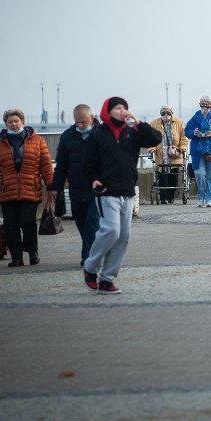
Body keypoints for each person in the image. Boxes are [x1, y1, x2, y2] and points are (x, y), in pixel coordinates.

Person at [82, 96, 161, 294]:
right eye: (117, 108)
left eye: (124, 108)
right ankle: (90, 267)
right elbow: (89, 162)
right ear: (107, 112)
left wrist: (137, 121)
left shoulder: (132, 131)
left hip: (127, 189)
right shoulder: (98, 134)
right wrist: (94, 179)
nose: (121, 111)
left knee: (124, 236)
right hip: (107, 191)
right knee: (111, 230)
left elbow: (155, 139)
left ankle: (107, 279)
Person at [0, 108, 55, 267]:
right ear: (6, 124)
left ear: (23, 122)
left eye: (16, 121)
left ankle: (32, 252)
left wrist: (51, 185)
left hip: (31, 190)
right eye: (10, 122)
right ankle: (16, 257)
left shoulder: (38, 142)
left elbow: (46, 166)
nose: (13, 124)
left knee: (28, 223)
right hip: (7, 192)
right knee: (11, 226)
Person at [50, 104, 100, 266]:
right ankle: (96, 250)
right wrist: (55, 187)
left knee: (92, 223)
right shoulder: (67, 137)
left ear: (92, 118)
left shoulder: (102, 135)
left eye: (83, 122)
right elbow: (62, 165)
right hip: (76, 188)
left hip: (98, 190)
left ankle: (88, 257)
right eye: (77, 122)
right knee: (80, 221)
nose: (80, 125)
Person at [185, 96, 211, 208]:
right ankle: (200, 197)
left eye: (207, 104)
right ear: (199, 104)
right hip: (198, 150)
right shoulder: (195, 117)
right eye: (202, 104)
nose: (204, 107)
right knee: (199, 173)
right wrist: (193, 133)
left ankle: (210, 199)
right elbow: (187, 130)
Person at [149, 105, 189, 204]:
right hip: (160, 155)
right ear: (160, 113)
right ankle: (163, 198)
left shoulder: (179, 123)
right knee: (162, 177)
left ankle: (171, 196)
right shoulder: (154, 123)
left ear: (172, 113)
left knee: (173, 177)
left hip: (174, 154)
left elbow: (184, 138)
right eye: (163, 112)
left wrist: (183, 148)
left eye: (168, 112)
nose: (166, 114)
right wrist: (152, 149)